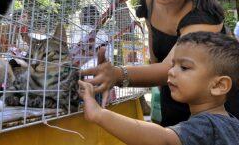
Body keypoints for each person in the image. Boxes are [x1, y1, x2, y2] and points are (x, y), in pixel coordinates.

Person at [80, 0, 239, 127]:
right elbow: (155, 58)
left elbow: (168, 69)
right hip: (173, 95)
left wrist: (117, 74)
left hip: (212, 108)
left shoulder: (204, 17)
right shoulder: (150, 0)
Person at [79, 32, 239, 145]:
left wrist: (99, 114)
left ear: (219, 85)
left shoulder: (207, 125)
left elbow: (163, 139)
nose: (170, 71)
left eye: (184, 67)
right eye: (173, 64)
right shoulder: (231, 124)